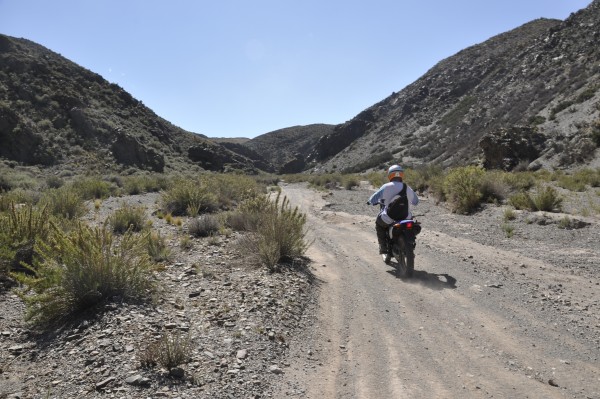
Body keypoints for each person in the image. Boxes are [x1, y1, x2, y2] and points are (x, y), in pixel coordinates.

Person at [366, 164, 419, 255]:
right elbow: (416, 201)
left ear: (390, 175)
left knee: (379, 224)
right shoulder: (408, 188)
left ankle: (383, 247)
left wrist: (370, 201)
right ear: (401, 175)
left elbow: (373, 199)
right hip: (406, 217)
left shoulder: (385, 186)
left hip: (389, 218)